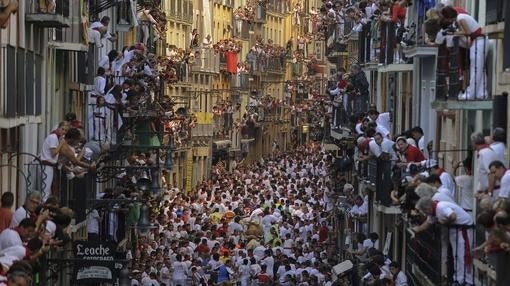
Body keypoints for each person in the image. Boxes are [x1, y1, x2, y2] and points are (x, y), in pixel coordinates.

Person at [415, 197, 474, 285]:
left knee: (462, 255)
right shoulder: (433, 212)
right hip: (455, 231)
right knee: (456, 255)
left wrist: (444, 222)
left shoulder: (441, 207)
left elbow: (453, 216)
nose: (425, 214)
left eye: (425, 211)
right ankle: (459, 278)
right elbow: (428, 223)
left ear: (428, 208)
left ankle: (466, 280)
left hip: (463, 230)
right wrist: (417, 230)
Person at [441, 6, 487, 100]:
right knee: (479, 69)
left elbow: (467, 32)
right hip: (479, 41)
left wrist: (453, 33)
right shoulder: (461, 17)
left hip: (478, 41)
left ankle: (470, 94)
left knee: (475, 68)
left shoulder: (460, 18)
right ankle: (481, 92)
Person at [40, 122, 68, 201]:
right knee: (45, 189)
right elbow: (53, 153)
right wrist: (61, 144)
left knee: (47, 189)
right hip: (47, 166)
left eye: (65, 131)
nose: (63, 132)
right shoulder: (53, 137)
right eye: (62, 129)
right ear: (58, 128)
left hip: (50, 166)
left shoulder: (56, 137)